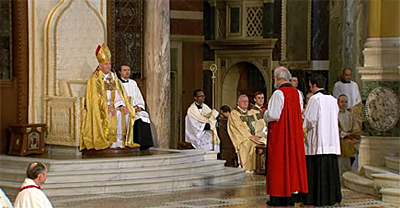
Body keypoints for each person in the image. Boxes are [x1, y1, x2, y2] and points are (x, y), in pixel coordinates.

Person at [80, 43, 139, 150]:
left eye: (109, 64)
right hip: (100, 107)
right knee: (112, 114)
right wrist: (107, 106)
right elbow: (95, 97)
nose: (108, 66)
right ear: (100, 66)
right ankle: (109, 141)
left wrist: (121, 104)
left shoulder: (113, 77)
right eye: (106, 64)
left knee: (125, 112)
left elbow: (118, 92)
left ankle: (121, 140)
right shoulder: (95, 79)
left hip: (114, 105)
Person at [263, 67, 308, 206]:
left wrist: (264, 114)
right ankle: (292, 193)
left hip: (280, 134)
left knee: (279, 162)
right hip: (294, 133)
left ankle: (278, 195)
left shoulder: (278, 93)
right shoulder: (297, 93)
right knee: (292, 162)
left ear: (277, 78)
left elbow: (274, 115)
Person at [303, 74, 342, 206]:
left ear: (314, 85)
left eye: (310, 86)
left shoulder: (315, 99)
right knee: (330, 171)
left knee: (316, 172)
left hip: (318, 142)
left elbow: (310, 120)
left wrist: (303, 124)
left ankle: (316, 198)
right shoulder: (332, 99)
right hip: (331, 141)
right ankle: (332, 197)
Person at [117, 64, 154, 151]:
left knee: (143, 115)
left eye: (128, 70)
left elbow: (138, 97)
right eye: (125, 70)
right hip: (124, 108)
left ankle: (144, 144)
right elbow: (117, 98)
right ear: (120, 72)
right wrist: (124, 106)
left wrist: (139, 106)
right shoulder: (117, 83)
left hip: (134, 108)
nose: (127, 72)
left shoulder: (133, 83)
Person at [228, 95, 266, 173]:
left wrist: (259, 135)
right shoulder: (234, 113)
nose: (245, 103)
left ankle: (261, 167)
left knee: (265, 141)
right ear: (238, 103)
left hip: (253, 136)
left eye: (247, 101)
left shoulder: (250, 113)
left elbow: (258, 125)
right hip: (242, 138)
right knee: (251, 145)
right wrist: (250, 136)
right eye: (243, 101)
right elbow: (238, 128)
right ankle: (250, 167)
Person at [338, 94, 361, 173]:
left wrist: (354, 134)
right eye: (342, 102)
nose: (344, 104)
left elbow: (355, 128)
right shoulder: (335, 114)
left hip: (350, 138)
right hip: (340, 139)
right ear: (338, 103)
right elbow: (335, 128)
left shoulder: (350, 115)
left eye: (346, 102)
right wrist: (344, 135)